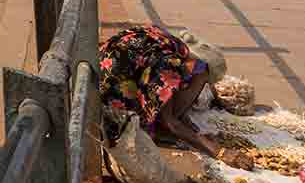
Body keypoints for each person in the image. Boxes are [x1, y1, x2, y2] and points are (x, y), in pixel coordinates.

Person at [97, 24, 227, 160]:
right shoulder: (169, 64)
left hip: (100, 74)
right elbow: (170, 123)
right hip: (106, 98)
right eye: (202, 79)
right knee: (157, 123)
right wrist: (217, 151)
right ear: (198, 68)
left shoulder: (166, 41)